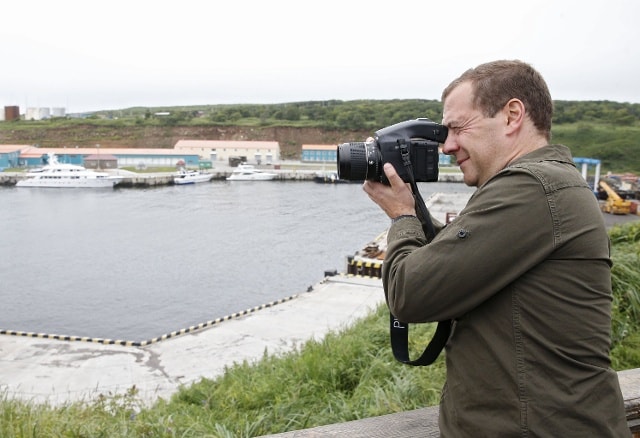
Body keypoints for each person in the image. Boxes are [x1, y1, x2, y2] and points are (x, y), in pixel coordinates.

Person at [363, 60, 630, 437]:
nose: (447, 146)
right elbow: (458, 258)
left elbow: (410, 292)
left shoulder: (532, 188)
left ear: (512, 115)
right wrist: (413, 209)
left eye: (457, 128)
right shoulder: (545, 184)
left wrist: (402, 216)